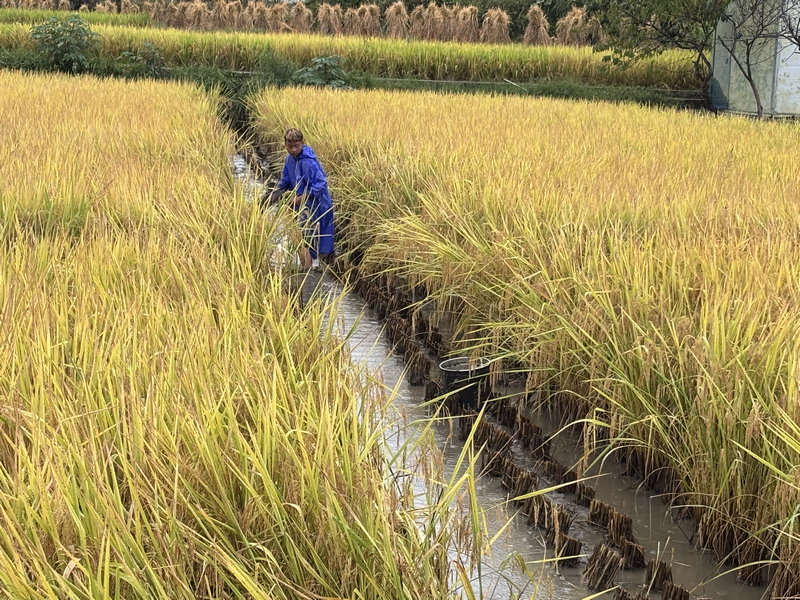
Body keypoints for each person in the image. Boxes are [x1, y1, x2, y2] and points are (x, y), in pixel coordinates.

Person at [268, 128, 335, 272]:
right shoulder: (289, 159)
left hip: (315, 205)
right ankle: (308, 271)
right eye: (289, 146)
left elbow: (322, 184)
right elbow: (286, 180)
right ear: (285, 144)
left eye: (296, 146)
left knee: (307, 240)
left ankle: (308, 274)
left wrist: (301, 198)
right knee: (299, 237)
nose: (293, 150)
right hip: (300, 204)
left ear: (303, 143)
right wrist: (274, 195)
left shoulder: (308, 162)